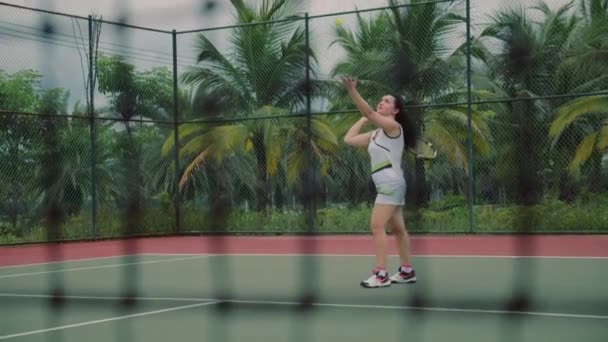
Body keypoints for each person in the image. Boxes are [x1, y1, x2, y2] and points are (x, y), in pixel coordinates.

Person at [341, 76, 417, 288]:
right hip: (389, 185)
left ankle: (381, 274)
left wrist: (352, 91)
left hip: (391, 184)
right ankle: (407, 271)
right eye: (380, 100)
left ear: (395, 111)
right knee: (398, 229)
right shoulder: (376, 134)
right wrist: (364, 120)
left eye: (387, 101)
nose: (381, 102)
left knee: (376, 225)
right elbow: (349, 139)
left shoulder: (394, 128)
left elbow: (369, 111)